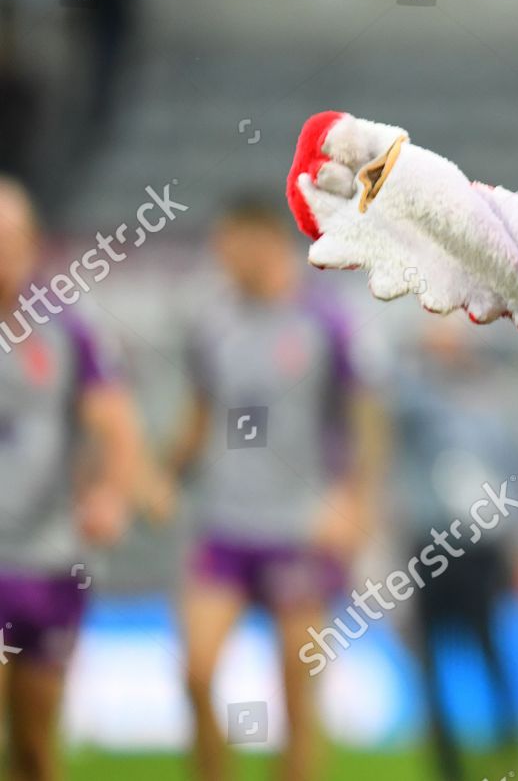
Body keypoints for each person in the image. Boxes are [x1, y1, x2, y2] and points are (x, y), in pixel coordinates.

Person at [160, 195, 385, 781]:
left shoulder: (325, 320)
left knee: (296, 688)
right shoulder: (212, 324)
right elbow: (202, 413)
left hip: (300, 528)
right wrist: (163, 473)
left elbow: (364, 416)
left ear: (264, 243)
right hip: (226, 523)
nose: (224, 261)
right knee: (197, 672)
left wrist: (354, 502)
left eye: (232, 248)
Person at [0, 177, 147, 781]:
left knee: (34, 745)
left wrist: (111, 495)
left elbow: (114, 424)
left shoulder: (67, 329)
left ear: (33, 244)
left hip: (50, 558)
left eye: (10, 238)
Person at [392, 317, 518, 781]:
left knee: (490, 648)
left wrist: (515, 534)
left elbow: (516, 472)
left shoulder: (493, 399)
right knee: (429, 657)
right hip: (430, 543)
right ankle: (446, 762)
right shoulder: (412, 394)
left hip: (480, 548)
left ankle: (508, 750)